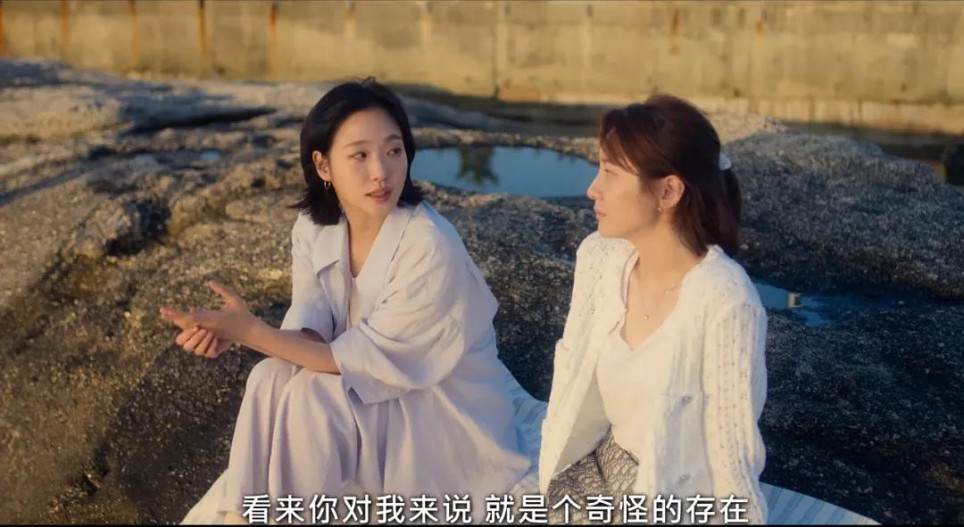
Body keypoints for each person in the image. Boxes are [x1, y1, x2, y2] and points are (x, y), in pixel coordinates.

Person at [161, 78, 529, 524]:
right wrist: (239, 333)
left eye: (394, 151)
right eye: (360, 155)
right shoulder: (314, 226)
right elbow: (312, 333)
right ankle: (243, 516)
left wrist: (251, 332)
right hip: (371, 385)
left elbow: (354, 360)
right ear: (323, 165)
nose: (381, 172)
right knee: (269, 377)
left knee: (315, 397)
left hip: (441, 412)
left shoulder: (429, 245)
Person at [538, 94, 769, 524]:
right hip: (597, 467)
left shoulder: (726, 301)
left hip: (672, 492)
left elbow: (731, 453)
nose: (592, 189)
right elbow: (570, 378)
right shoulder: (600, 257)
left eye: (610, 172)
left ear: (669, 191)